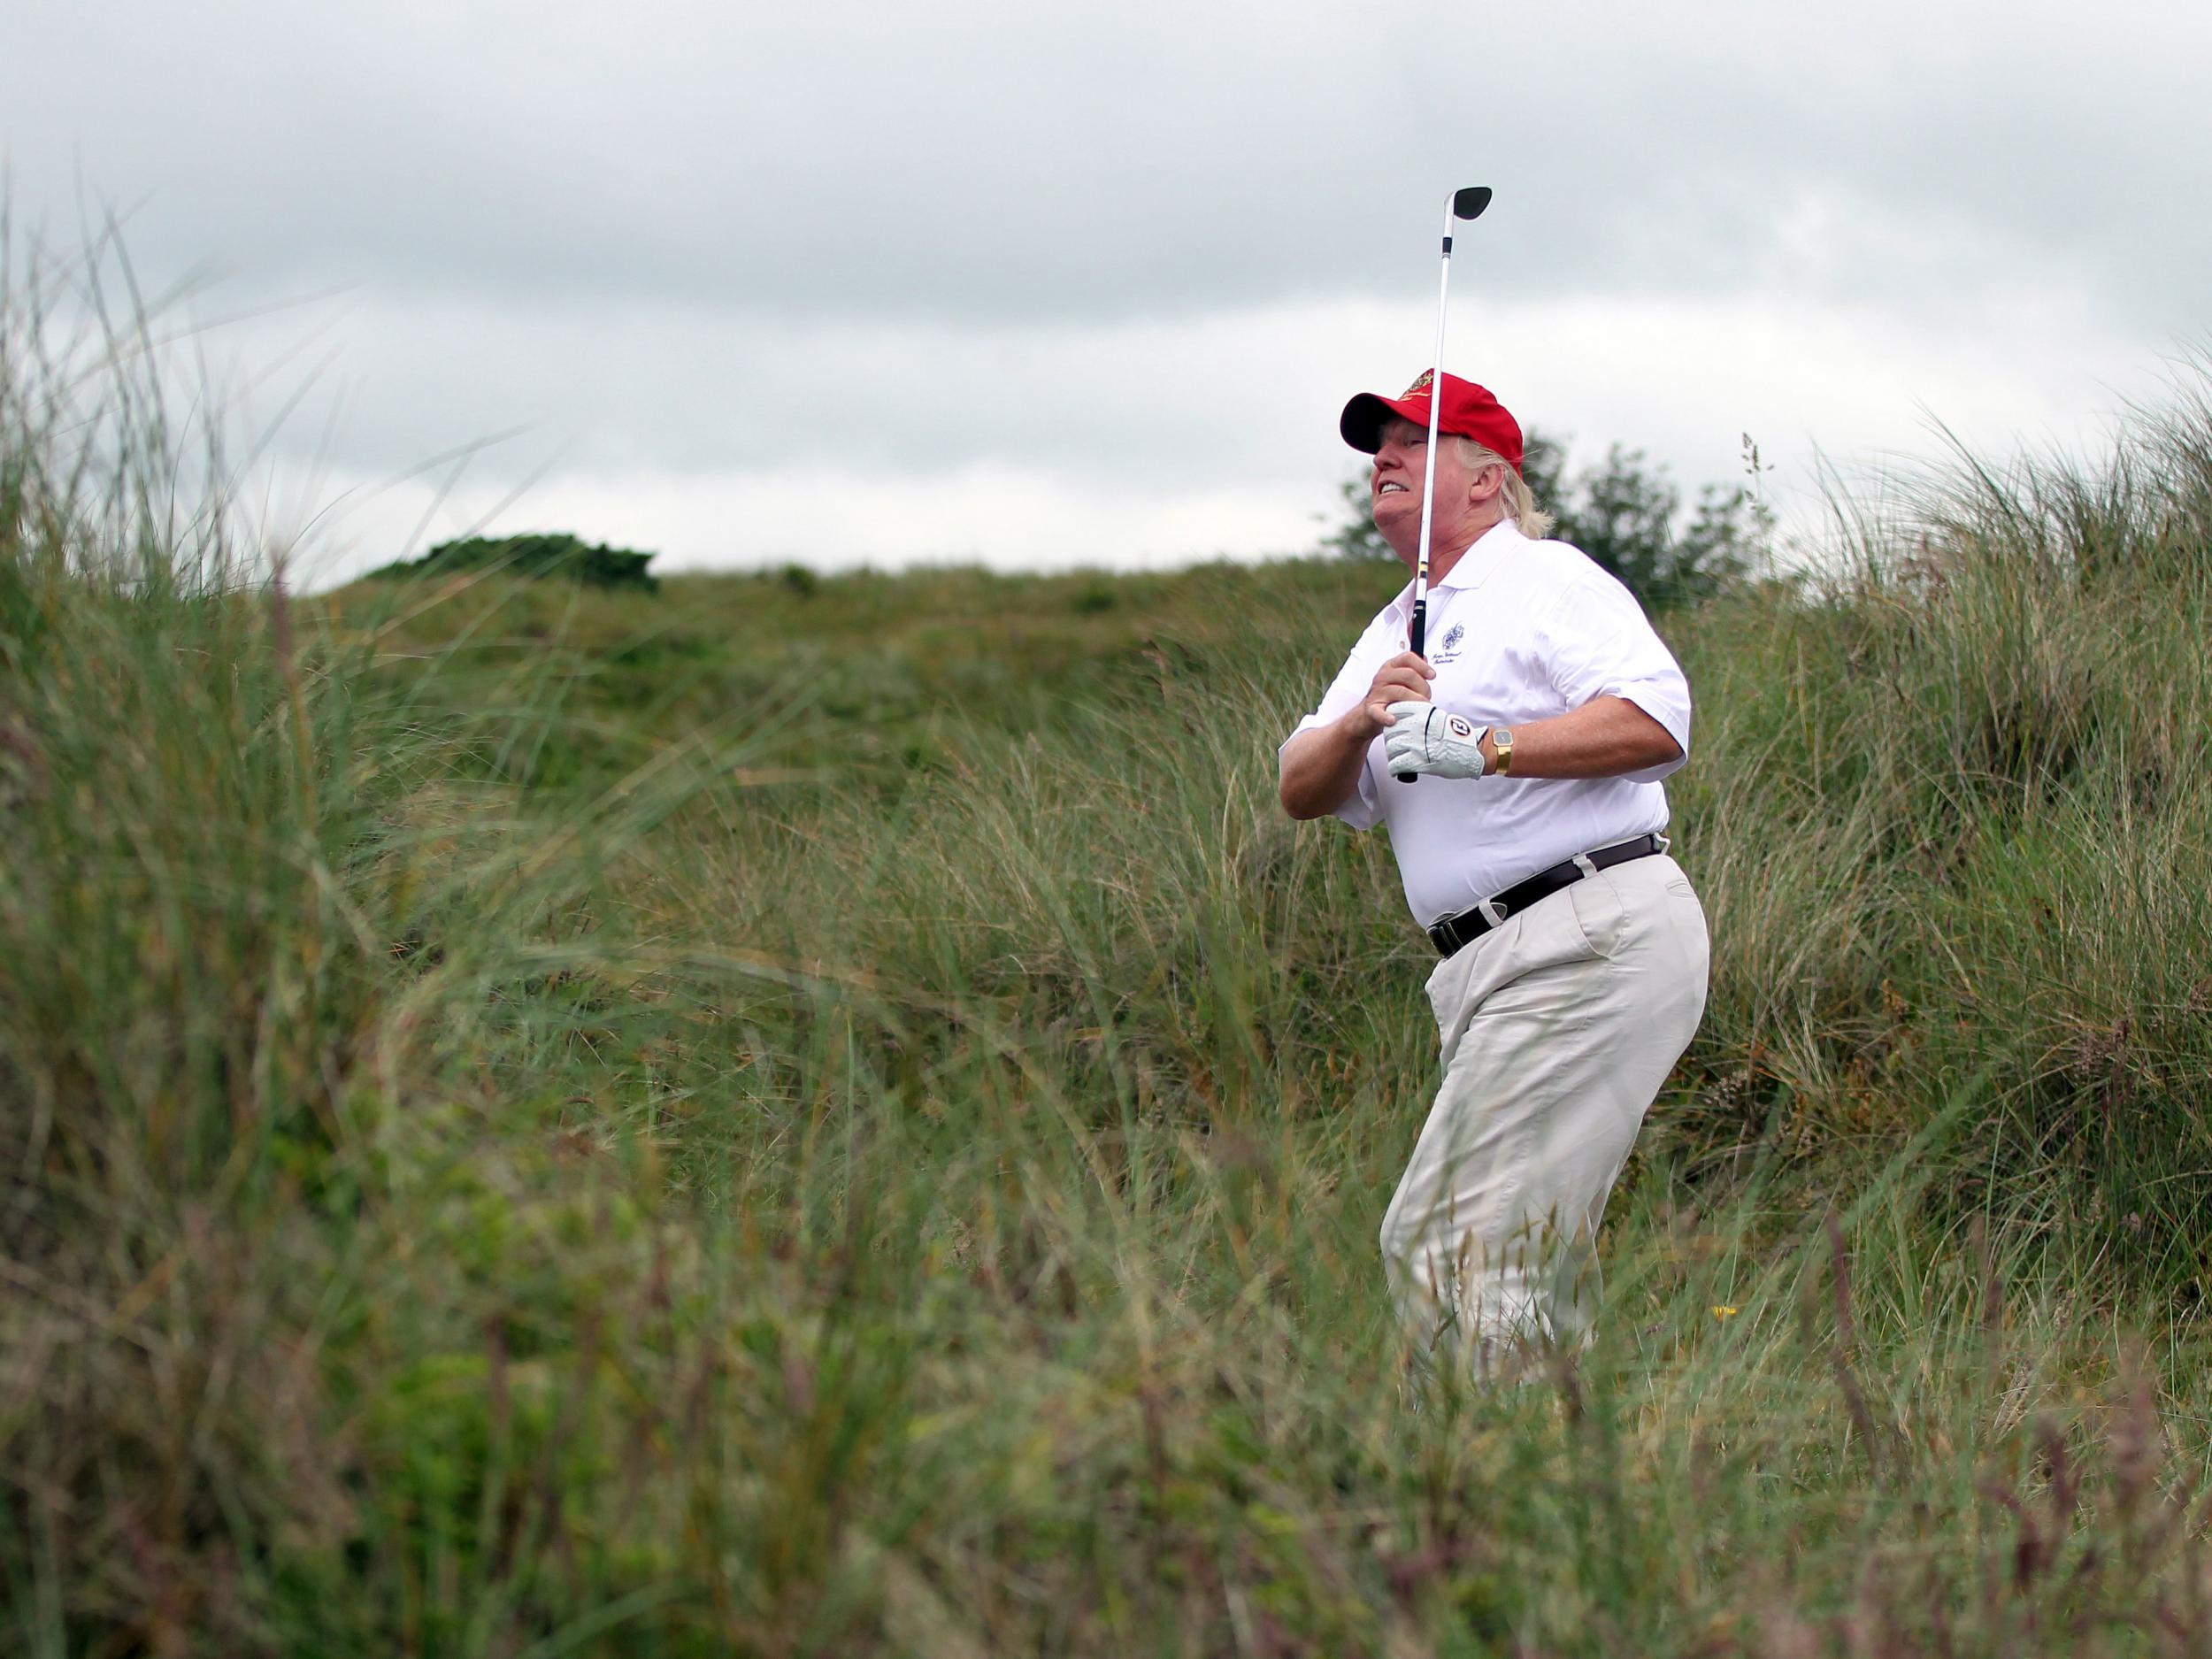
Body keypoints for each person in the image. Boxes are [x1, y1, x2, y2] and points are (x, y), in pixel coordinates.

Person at [1278, 370, 1709, 1380]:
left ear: (1485, 478)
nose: (1382, 458)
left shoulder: (1545, 579)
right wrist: (1356, 722)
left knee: (1448, 1247)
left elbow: (1656, 724)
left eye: (1412, 442)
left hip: (1585, 931)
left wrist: (1489, 744)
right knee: (1515, 1261)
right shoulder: (1395, 628)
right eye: (1377, 446)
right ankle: (1580, 1496)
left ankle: (1485, 1506)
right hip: (1490, 967)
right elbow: (1300, 785)